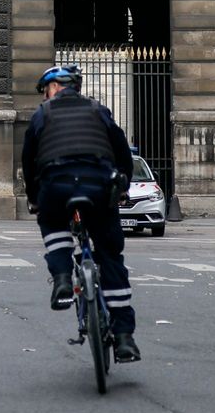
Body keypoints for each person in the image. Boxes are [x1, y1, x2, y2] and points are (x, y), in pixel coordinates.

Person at [22, 64, 140, 363]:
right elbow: (121, 149)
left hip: (57, 184)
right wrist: (123, 183)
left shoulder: (42, 115)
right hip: (98, 184)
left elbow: (29, 159)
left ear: (53, 88)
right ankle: (124, 338)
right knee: (111, 256)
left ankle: (62, 278)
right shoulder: (98, 110)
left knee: (51, 221)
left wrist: (35, 197)